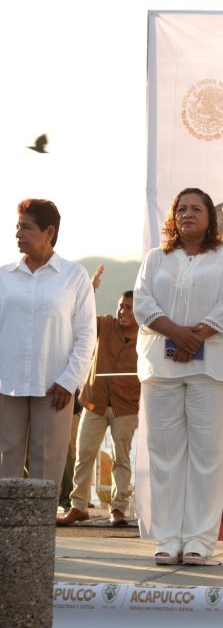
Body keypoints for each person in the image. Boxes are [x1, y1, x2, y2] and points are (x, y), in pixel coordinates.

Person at [133, 188, 223, 566]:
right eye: (181, 208)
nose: (187, 214)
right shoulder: (155, 258)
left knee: (207, 457)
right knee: (164, 456)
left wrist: (193, 336)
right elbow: (143, 303)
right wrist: (175, 333)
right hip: (161, 369)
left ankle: (198, 541)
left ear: (211, 218)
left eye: (196, 208)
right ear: (172, 217)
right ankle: (166, 539)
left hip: (211, 369)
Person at [0, 199, 96, 492]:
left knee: (46, 470)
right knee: (6, 464)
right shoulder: (3, 276)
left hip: (55, 389)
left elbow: (86, 335)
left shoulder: (74, 276)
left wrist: (69, 381)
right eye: (17, 226)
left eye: (26, 227)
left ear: (49, 231)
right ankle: (5, 536)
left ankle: (41, 535)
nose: (18, 233)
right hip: (6, 387)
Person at [57, 290, 141, 528]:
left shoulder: (146, 337)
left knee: (121, 459)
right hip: (95, 402)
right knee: (84, 456)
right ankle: (78, 507)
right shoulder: (104, 325)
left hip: (127, 406)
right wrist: (90, 290)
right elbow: (80, 319)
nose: (124, 311)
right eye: (122, 306)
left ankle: (117, 509)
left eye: (130, 307)